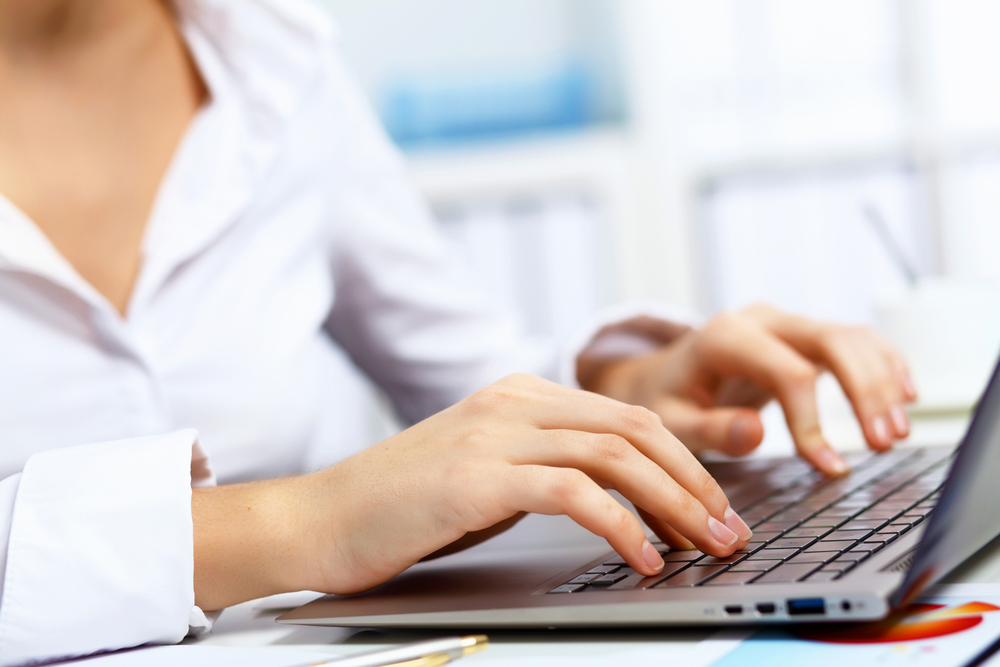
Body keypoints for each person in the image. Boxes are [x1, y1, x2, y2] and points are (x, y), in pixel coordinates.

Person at [0, 0, 916, 664]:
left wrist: (631, 394)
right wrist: (302, 520)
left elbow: (463, 373)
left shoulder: (274, 55)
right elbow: (351, 503)